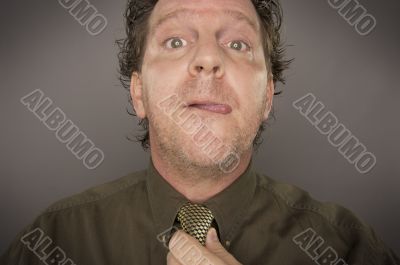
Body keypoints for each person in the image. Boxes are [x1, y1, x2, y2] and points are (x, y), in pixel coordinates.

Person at [1, 0, 399, 264]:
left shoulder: (349, 248)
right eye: (175, 41)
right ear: (139, 93)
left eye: (239, 44)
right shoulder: (50, 242)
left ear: (266, 99)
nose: (208, 59)